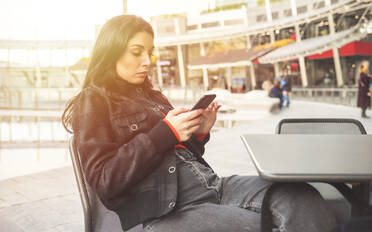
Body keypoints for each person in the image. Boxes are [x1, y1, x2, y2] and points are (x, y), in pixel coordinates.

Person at [62, 15, 337, 232]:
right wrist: (165, 132)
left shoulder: (152, 96)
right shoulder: (94, 102)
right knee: (263, 224)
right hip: (167, 209)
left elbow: (177, 152)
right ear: (112, 50)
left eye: (150, 52)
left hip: (212, 186)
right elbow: (104, 180)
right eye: (136, 51)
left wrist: (199, 133)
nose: (147, 61)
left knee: (301, 195)